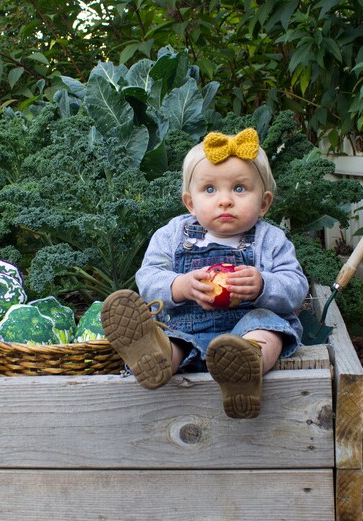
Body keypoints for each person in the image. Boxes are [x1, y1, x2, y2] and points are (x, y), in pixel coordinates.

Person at [101, 128, 309, 419]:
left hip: (248, 329)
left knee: (268, 331)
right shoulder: (173, 234)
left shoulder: (270, 239)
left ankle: (245, 368)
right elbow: (148, 277)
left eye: (239, 188)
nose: (225, 200)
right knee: (171, 339)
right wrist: (180, 286)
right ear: (190, 202)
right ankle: (157, 358)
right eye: (210, 189)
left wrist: (263, 284)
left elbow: (296, 286)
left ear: (264, 203)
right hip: (188, 331)